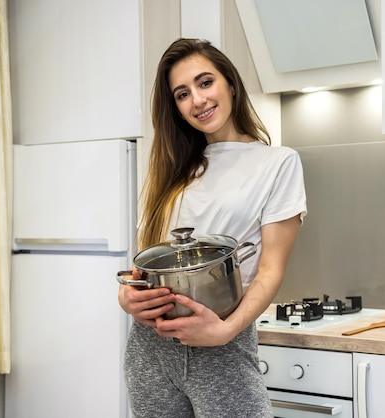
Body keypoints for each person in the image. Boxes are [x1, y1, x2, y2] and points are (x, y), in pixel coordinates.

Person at [117, 38, 307, 417]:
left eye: (206, 83)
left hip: (222, 341)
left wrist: (227, 330)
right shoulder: (172, 170)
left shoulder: (277, 163)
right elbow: (144, 267)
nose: (198, 100)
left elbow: (270, 270)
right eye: (183, 94)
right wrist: (128, 299)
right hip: (151, 347)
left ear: (230, 84)